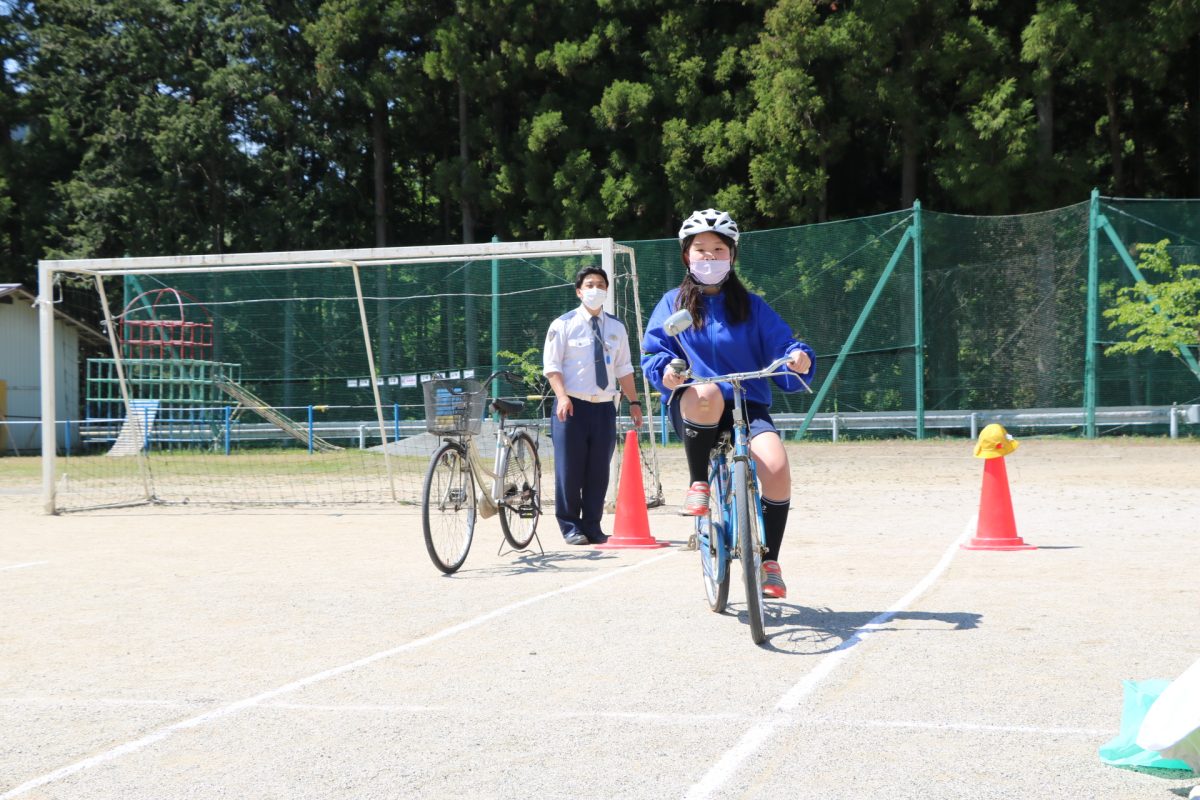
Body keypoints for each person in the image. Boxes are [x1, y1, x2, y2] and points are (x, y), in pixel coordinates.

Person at [641, 208, 815, 598]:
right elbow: (654, 352)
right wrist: (666, 371)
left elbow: (785, 345)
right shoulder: (672, 305)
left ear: (732, 255)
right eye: (700, 249)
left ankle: (770, 561)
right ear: (686, 255)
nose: (709, 257)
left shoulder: (752, 306)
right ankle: (698, 481)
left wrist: (798, 357)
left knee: (776, 465)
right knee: (707, 393)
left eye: (718, 249)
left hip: (747, 404)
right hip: (696, 404)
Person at [543, 266, 644, 545]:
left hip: (604, 407)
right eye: (589, 285)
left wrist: (634, 401)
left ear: (607, 290)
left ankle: (592, 526)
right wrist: (562, 397)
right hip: (571, 406)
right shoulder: (562, 324)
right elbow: (552, 367)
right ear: (579, 291)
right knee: (569, 470)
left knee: (599, 470)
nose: (595, 289)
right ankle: (570, 526)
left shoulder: (616, 327)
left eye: (600, 284)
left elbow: (624, 368)